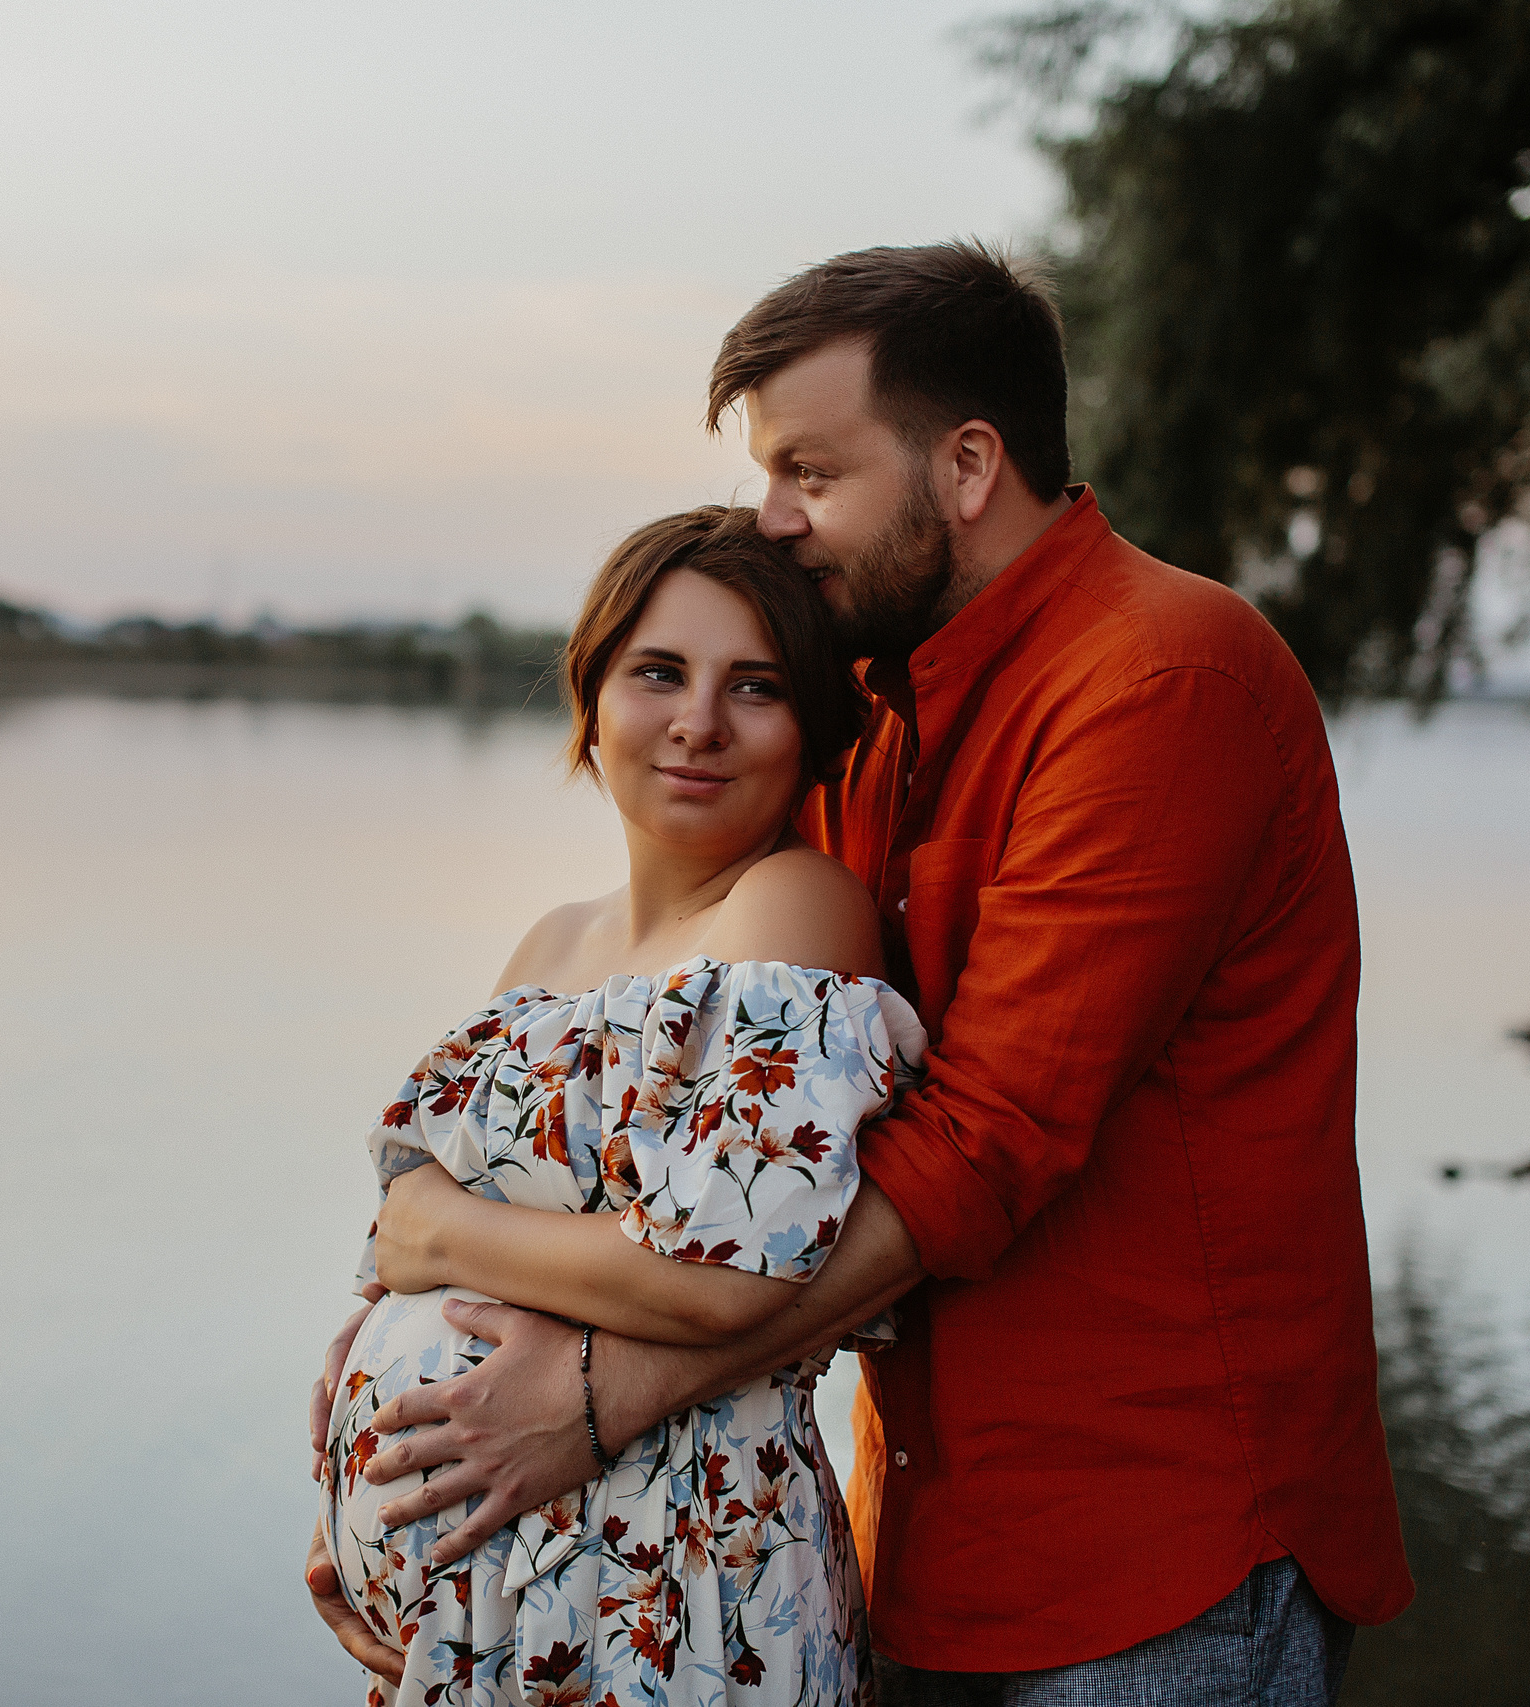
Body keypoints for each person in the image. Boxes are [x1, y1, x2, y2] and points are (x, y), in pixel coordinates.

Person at [311, 241, 1414, 1705]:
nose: (774, 517)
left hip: (1156, 1553)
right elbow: (693, 1130)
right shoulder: (879, 721)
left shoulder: (1160, 676)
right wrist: (406, 1497)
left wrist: (580, 1402)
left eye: (810, 472)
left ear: (967, 466)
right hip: (922, 1534)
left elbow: (974, 1148)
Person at [311, 505, 930, 1706]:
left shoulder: (790, 906)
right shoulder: (553, 941)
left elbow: (722, 1275)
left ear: (813, 731)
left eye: (755, 686)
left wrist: (437, 1228)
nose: (699, 721)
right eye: (658, 672)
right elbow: (404, 1276)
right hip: (472, 1599)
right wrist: (353, 1507)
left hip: (671, 1582)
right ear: (591, 697)